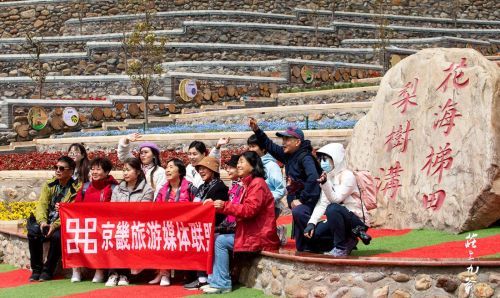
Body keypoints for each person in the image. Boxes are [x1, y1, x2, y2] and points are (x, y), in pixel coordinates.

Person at [202, 151, 280, 294]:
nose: (238, 165)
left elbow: (249, 210)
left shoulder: (257, 184)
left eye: (242, 162)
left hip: (259, 236)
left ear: (253, 165)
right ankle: (215, 280)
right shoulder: (249, 183)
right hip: (250, 232)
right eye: (238, 162)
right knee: (216, 238)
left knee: (220, 241)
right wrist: (216, 205)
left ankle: (222, 283)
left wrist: (223, 206)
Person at [248, 118, 321, 252]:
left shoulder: (306, 157)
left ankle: (320, 243)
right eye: (283, 139)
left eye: (287, 139)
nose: (283, 143)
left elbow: (314, 178)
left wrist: (302, 199)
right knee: (300, 247)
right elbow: (269, 145)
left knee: (300, 214)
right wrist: (257, 130)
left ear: (297, 142)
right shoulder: (289, 155)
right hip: (296, 202)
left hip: (308, 202)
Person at [303, 143, 371, 257]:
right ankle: (349, 241)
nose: (322, 163)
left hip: (356, 221)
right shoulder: (327, 176)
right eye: (320, 160)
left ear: (336, 159)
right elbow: (322, 203)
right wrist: (311, 223)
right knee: (315, 235)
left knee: (333, 208)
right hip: (339, 217)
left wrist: (324, 184)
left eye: (326, 159)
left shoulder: (348, 176)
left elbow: (336, 200)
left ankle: (341, 247)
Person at [28, 156, 81, 282]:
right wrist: (42, 222)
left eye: (61, 168)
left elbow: (70, 211)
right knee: (33, 232)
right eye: (56, 167)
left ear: (71, 171)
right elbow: (42, 205)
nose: (57, 170)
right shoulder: (49, 184)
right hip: (46, 220)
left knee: (58, 237)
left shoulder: (76, 188)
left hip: (62, 222)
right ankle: (36, 269)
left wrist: (55, 225)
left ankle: (48, 270)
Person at [105, 157, 154, 287]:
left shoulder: (147, 190)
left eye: (128, 170)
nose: (125, 173)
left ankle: (124, 274)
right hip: (119, 224)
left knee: (127, 235)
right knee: (113, 235)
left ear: (138, 172)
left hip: (137, 226)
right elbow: (112, 209)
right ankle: (113, 274)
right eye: (123, 170)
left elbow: (143, 211)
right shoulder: (117, 189)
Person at [184, 156, 229, 290]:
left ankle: (203, 278)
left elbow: (217, 211)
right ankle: (197, 276)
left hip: (214, 226)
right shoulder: (203, 187)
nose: (201, 171)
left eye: (204, 168)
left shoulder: (219, 188)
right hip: (200, 225)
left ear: (213, 170)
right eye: (199, 169)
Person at [71, 157, 118, 283]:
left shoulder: (113, 188)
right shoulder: (85, 186)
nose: (94, 172)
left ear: (107, 172)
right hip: (86, 223)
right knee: (74, 234)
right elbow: (76, 206)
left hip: (104, 225)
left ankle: (100, 270)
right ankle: (76, 268)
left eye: (98, 169)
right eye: (92, 169)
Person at [149, 158, 196, 286]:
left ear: (180, 171)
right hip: (167, 226)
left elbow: (198, 206)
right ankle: (163, 272)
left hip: (186, 227)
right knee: (158, 235)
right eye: (167, 167)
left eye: (171, 167)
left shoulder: (190, 187)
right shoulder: (163, 189)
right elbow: (155, 208)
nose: (167, 170)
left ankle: (168, 273)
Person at [247, 134, 287, 244]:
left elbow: (281, 189)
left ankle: (278, 232)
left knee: (262, 238)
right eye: (249, 146)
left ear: (263, 149)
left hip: (270, 206)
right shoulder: (252, 165)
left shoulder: (271, 166)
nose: (251, 149)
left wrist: (266, 199)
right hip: (254, 205)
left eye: (254, 146)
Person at [117, 133, 167, 198]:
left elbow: (159, 193)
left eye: (146, 152)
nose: (143, 155)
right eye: (141, 153)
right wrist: (126, 139)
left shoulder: (160, 172)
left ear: (154, 155)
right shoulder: (135, 165)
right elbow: (123, 155)